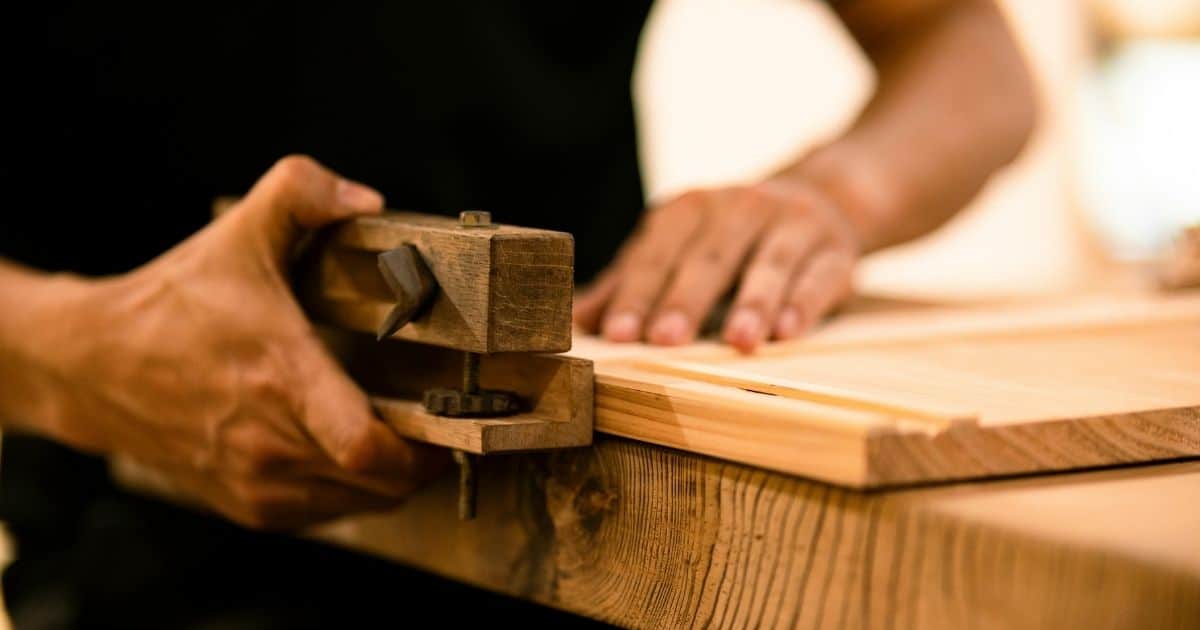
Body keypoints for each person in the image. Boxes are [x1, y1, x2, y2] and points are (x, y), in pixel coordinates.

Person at [0, 1, 1034, 626]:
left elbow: (968, 45)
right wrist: (67, 350)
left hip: (607, 525)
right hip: (148, 555)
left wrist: (840, 193)